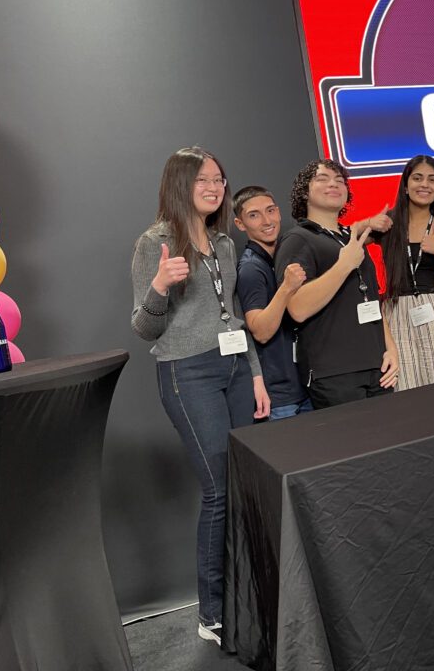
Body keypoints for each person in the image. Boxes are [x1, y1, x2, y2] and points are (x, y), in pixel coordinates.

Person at [130, 146, 268, 646]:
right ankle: (211, 612)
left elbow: (231, 314)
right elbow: (144, 328)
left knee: (245, 483)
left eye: (219, 180)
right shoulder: (156, 243)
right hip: (186, 375)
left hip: (234, 370)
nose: (215, 188)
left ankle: (251, 591)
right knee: (218, 492)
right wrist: (159, 287)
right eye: (204, 180)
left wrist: (253, 373)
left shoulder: (224, 243)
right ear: (179, 184)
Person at [273, 160, 399, 407]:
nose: (333, 184)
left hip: (377, 365)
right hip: (334, 373)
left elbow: (370, 299)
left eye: (339, 181)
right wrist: (344, 265)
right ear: (304, 192)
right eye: (322, 179)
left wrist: (390, 348)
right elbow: (297, 309)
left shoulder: (348, 238)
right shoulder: (297, 240)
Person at [381, 156, 434, 389]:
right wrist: (370, 223)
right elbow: (350, 241)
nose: (424, 185)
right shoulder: (388, 223)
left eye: (432, 179)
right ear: (406, 185)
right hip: (396, 312)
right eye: (417, 178)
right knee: (405, 393)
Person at [233, 185, 312, 419]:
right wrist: (287, 288)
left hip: (302, 386)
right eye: (254, 215)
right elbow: (261, 331)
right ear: (240, 224)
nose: (267, 221)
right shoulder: (250, 268)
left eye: (270, 211)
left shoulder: (278, 258)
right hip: (281, 397)